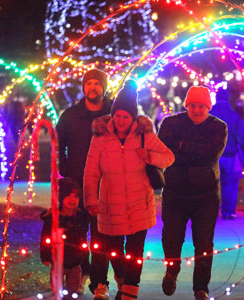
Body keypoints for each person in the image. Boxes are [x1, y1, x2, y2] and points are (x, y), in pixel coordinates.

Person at [56, 69, 152, 295]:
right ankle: (87, 280)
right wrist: (65, 168)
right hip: (78, 185)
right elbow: (58, 144)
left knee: (106, 239)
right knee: (79, 236)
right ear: (83, 87)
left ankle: (110, 281)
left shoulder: (116, 114)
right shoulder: (71, 116)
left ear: (104, 87)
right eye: (88, 83)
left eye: (97, 84)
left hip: (110, 186)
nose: (92, 88)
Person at [83, 79, 175, 300]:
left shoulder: (144, 135)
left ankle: (129, 293)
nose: (122, 120)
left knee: (135, 253)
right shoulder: (100, 137)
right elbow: (91, 171)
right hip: (110, 204)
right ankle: (123, 281)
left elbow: (169, 157)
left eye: (126, 116)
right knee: (115, 251)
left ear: (133, 117)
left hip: (139, 204)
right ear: (113, 115)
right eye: (118, 116)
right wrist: (90, 199)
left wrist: (150, 156)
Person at [158, 86, 227, 300]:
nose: (196, 110)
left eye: (201, 106)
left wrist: (180, 147)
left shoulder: (218, 127)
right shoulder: (171, 123)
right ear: (186, 105)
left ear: (208, 107)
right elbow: (164, 152)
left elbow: (210, 155)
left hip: (205, 195)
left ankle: (200, 287)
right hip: (175, 192)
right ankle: (172, 269)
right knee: (171, 238)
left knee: (204, 242)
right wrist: (192, 150)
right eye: (193, 105)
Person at [40, 177, 89, 300]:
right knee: (57, 288)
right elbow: (45, 237)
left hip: (75, 262)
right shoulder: (54, 218)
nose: (72, 200)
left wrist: (84, 257)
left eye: (76, 197)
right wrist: (45, 256)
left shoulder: (79, 218)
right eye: (69, 196)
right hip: (58, 261)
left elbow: (83, 238)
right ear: (61, 198)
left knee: (73, 289)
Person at [210, 83, 244, 219]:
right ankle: (228, 212)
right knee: (229, 184)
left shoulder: (209, 116)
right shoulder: (234, 117)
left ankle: (211, 211)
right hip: (229, 156)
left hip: (212, 157)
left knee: (211, 185)